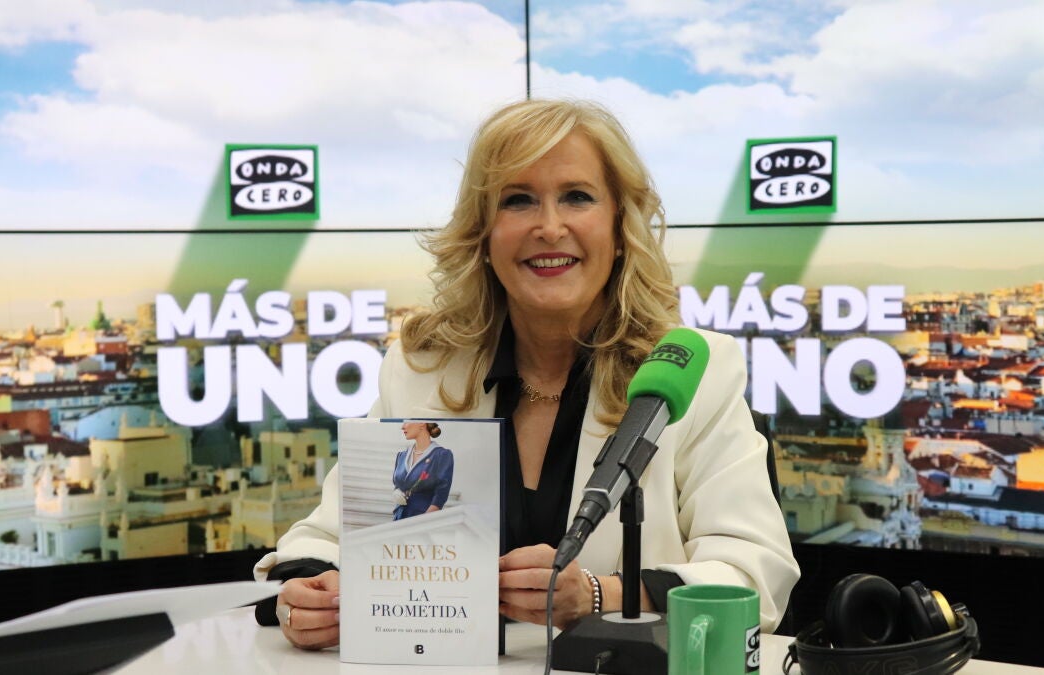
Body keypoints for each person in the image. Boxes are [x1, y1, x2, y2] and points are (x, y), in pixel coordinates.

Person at [253, 98, 800, 650]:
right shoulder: (422, 368)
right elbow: (326, 539)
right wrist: (309, 596)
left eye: (577, 197)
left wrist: (603, 596)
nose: (549, 227)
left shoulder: (692, 370)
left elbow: (754, 573)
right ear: (483, 235)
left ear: (619, 228)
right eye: (518, 200)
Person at [390, 421, 454, 520]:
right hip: (399, 518)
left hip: (423, 520)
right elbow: (398, 485)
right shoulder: (402, 455)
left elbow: (440, 496)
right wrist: (396, 492)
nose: (402, 427)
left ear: (422, 423)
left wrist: (423, 521)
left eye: (406, 422)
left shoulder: (441, 455)